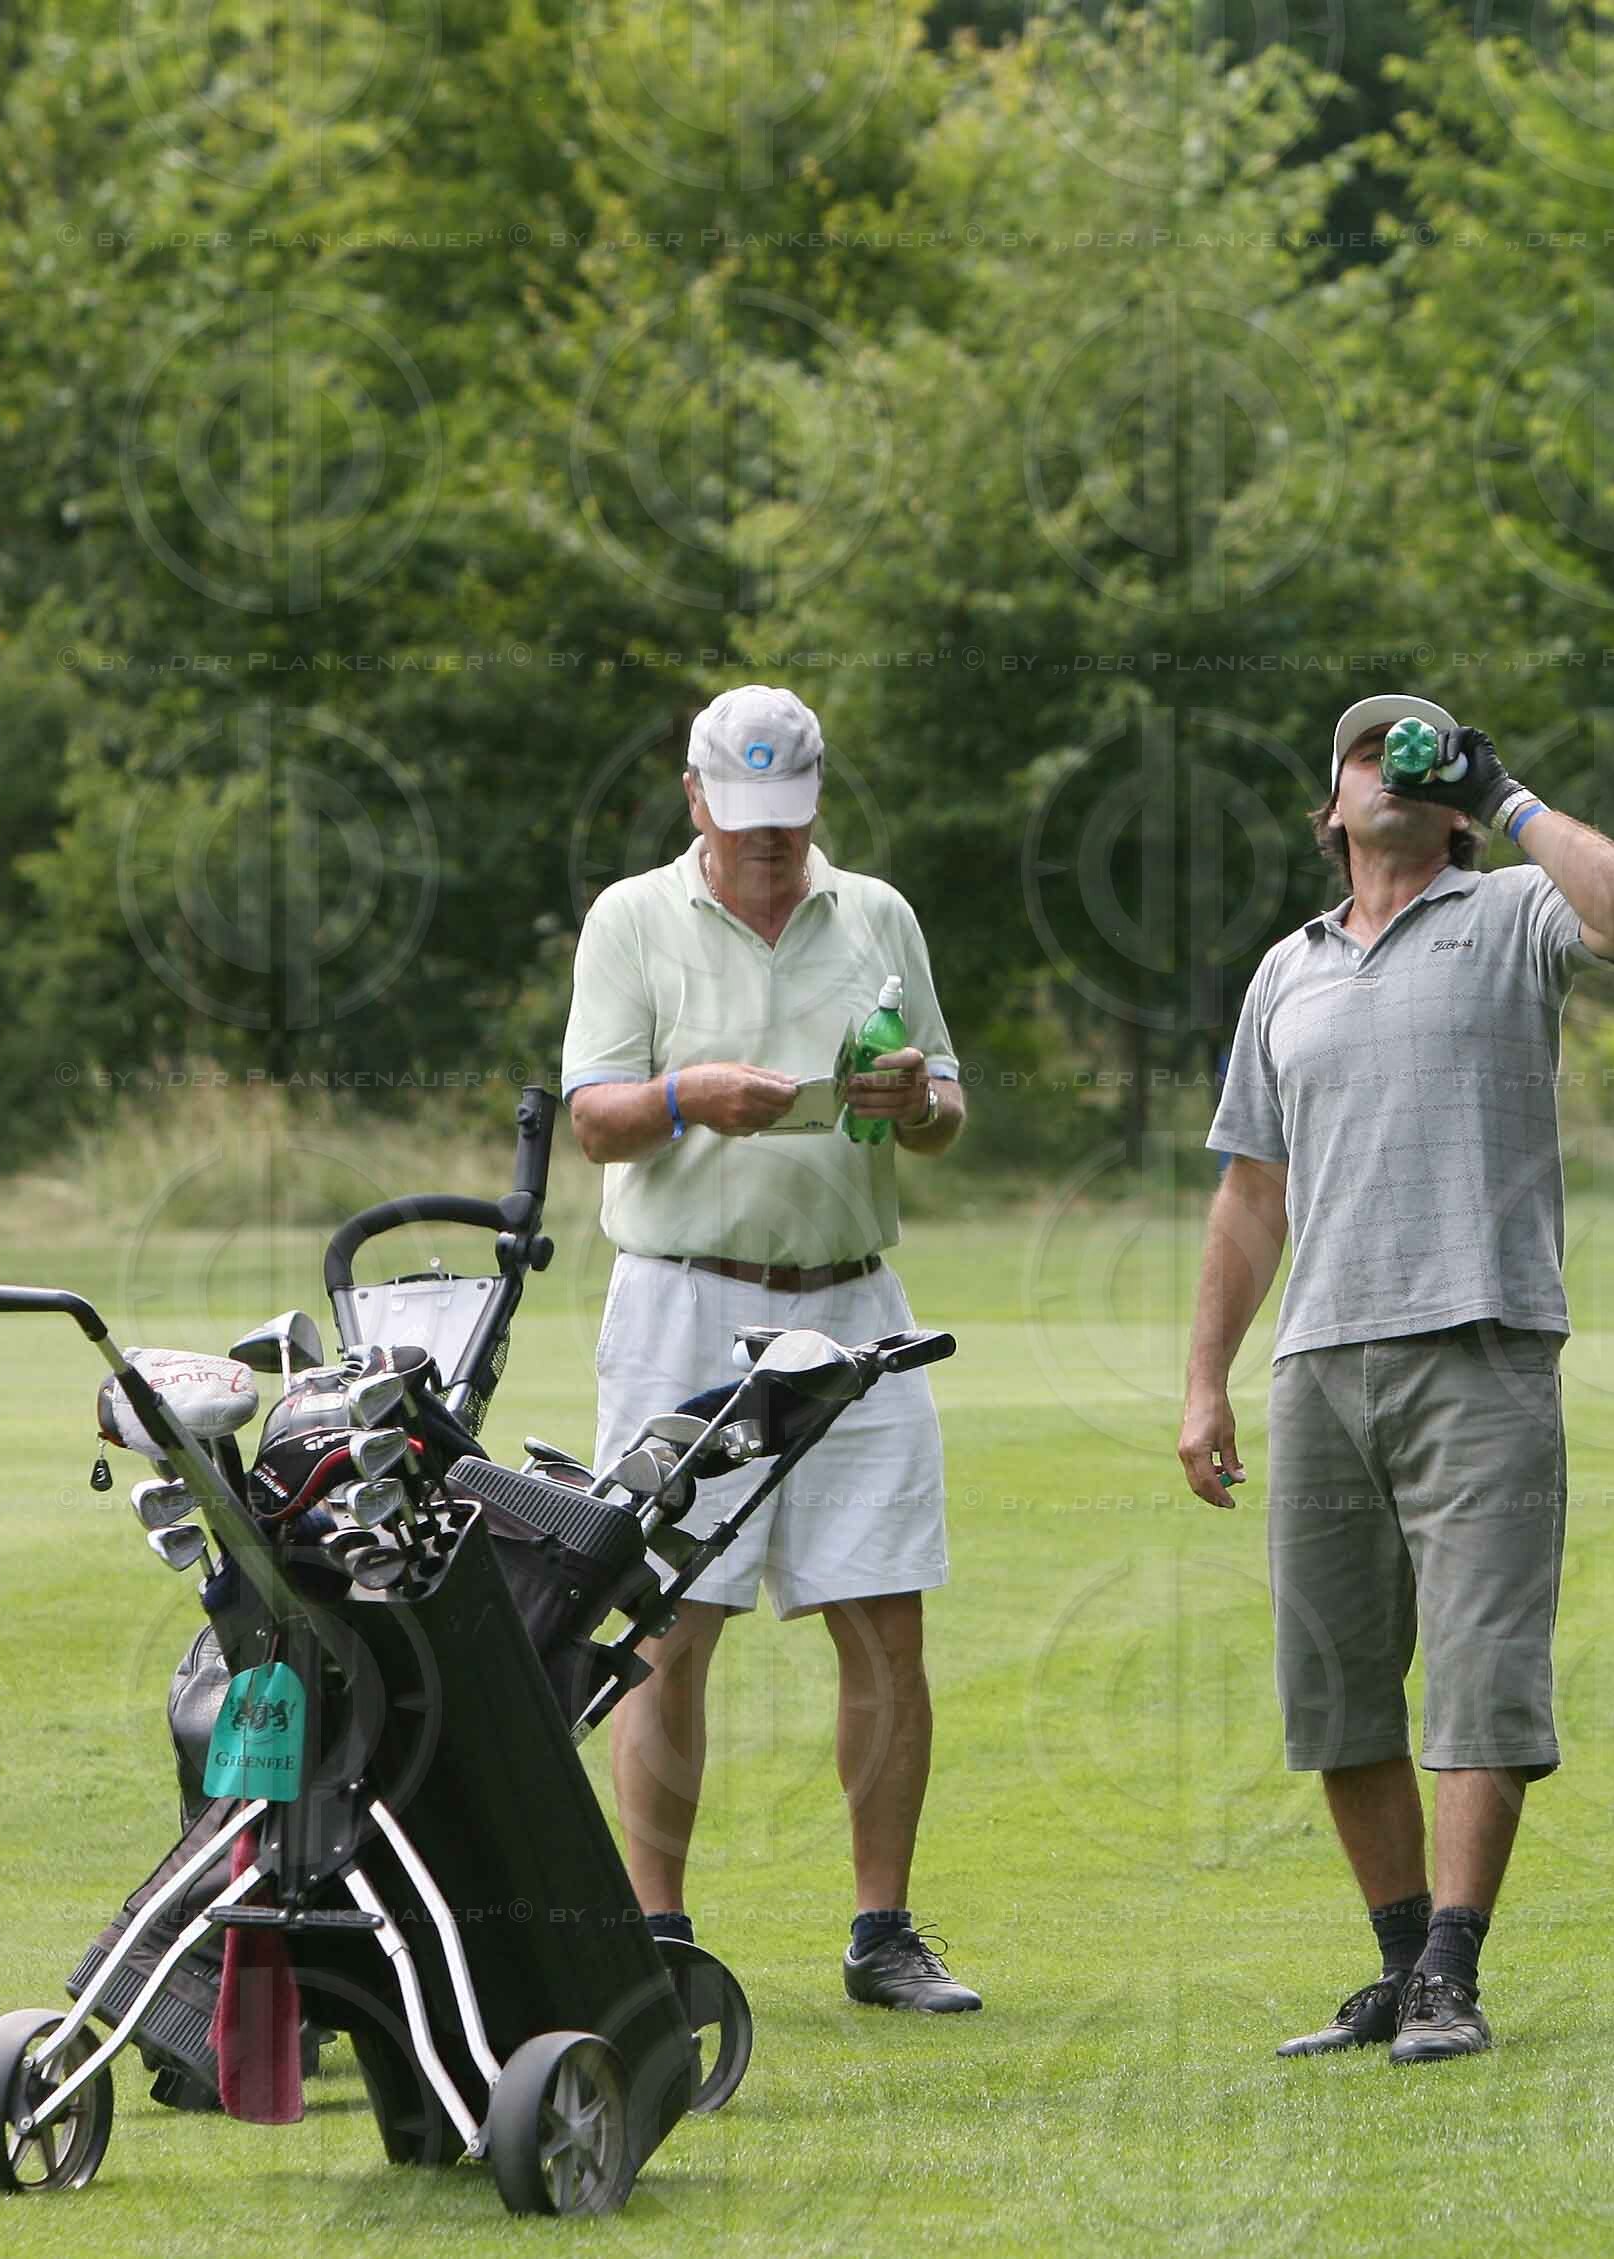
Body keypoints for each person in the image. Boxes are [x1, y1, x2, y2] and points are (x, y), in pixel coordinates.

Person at [1177, 693, 1614, 2064]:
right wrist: (1206, 1378)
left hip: (1483, 1338)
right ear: (1328, 806)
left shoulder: (1512, 910)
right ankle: (1399, 1964)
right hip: (1321, 1359)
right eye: (1363, 749)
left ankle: (1455, 1968)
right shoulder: (1288, 970)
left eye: (1421, 747)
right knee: (1333, 1691)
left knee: (1479, 1677)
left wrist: (1502, 794)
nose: (1391, 762)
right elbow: (1249, 1192)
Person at [561, 683, 984, 2013]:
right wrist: (692, 1094)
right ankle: (659, 1933)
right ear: (696, 799)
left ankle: (882, 1933)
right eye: (744, 822)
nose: (767, 846)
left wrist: (917, 1100)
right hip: (685, 1303)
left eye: (787, 824)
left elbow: (948, 1113)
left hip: (854, 1302)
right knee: (672, 1625)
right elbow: (594, 1118)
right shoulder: (632, 918)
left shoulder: (880, 916)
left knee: (883, 1619)